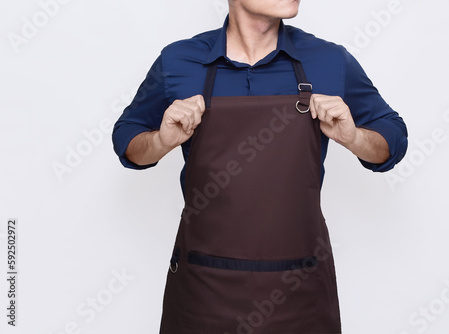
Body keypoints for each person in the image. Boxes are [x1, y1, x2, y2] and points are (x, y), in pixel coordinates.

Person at [112, 1, 408, 333]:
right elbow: (127, 140)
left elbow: (393, 140)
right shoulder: (179, 62)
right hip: (205, 289)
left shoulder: (328, 61)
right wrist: (160, 141)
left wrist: (353, 137)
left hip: (299, 288)